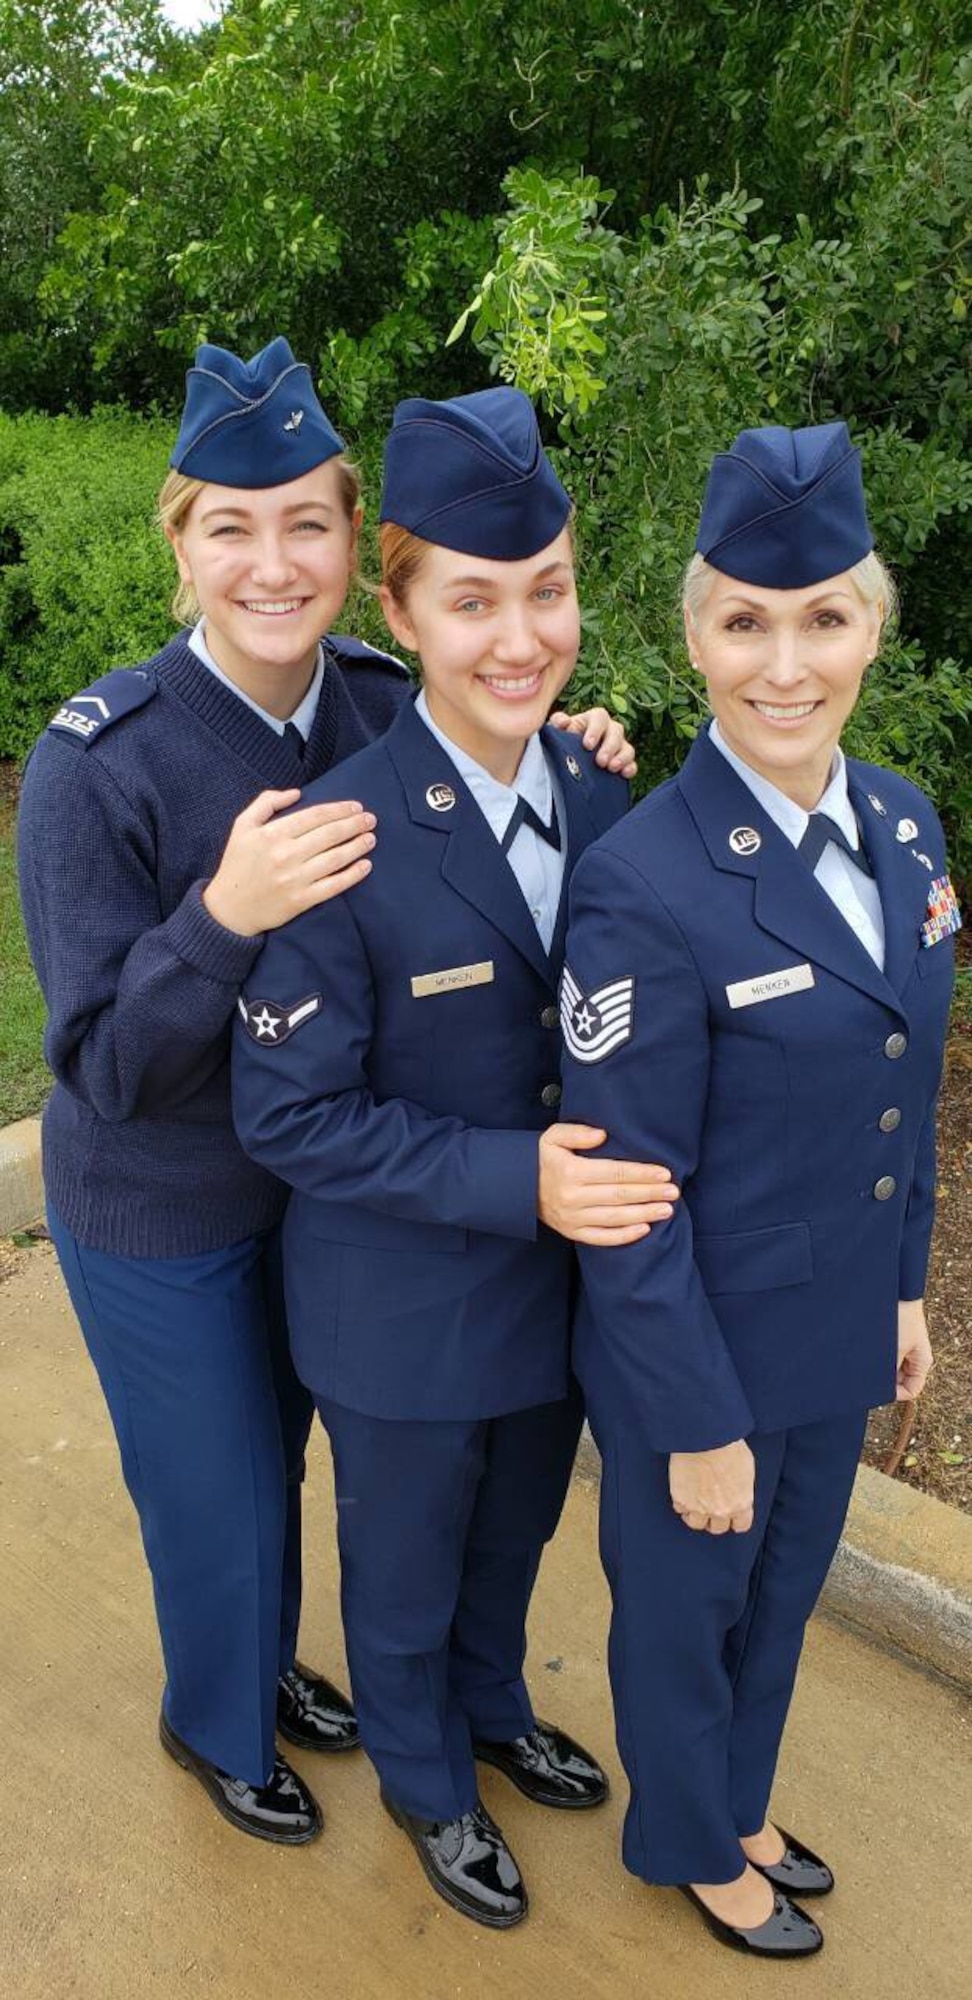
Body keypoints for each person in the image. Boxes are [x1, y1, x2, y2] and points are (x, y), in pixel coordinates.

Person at [16, 339, 634, 1848]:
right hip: (166, 1207)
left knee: (326, 1469)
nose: (273, 562)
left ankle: (306, 1671)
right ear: (180, 542)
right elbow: (99, 1064)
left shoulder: (366, 701)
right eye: (232, 525)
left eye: (308, 520)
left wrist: (564, 748)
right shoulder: (101, 765)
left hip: (330, 1195)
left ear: (360, 547)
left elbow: (471, 771)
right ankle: (219, 1720)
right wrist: (222, 914)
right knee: (223, 1499)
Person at [232, 387, 681, 1927]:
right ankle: (428, 1781)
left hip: (564, 1297)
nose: (519, 637)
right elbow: (287, 1114)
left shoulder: (607, 789)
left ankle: (493, 1708)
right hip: (404, 1308)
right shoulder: (338, 834)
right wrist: (520, 1182)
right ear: (401, 607)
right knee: (409, 1567)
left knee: (515, 1536)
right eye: (474, 599)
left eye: (545, 591)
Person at [560, 422, 958, 1958]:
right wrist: (696, 1416)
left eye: (824, 619)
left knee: (780, 1591)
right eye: (745, 621)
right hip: (702, 1343)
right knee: (685, 1609)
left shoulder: (907, 818)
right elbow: (627, 1186)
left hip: (836, 1313)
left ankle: (737, 1796)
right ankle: (685, 1838)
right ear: (695, 636)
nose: (785, 665)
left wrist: (908, 1283)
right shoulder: (646, 880)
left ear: (872, 627)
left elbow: (899, 1082)